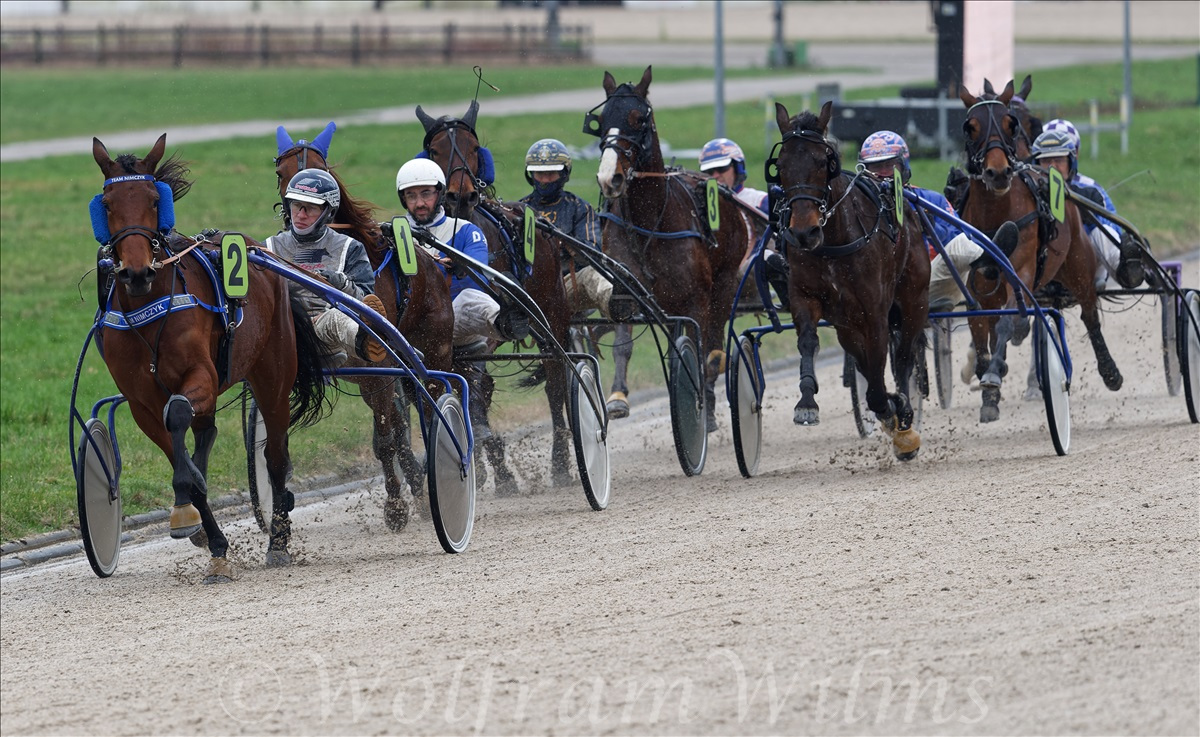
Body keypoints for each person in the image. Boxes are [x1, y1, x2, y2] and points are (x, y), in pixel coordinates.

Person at [394, 157, 526, 440]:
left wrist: (442, 261)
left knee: (470, 297)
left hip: (456, 321)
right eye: (411, 196)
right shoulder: (395, 236)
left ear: (439, 194)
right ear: (403, 199)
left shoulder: (466, 231)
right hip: (411, 330)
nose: (419, 203)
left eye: (426, 194)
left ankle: (506, 322)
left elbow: (476, 272)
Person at [857, 130, 1016, 312]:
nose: (883, 173)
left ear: (903, 165)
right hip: (876, 293)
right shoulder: (856, 207)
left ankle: (987, 260)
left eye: (888, 165)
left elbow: (958, 237)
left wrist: (931, 228)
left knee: (962, 243)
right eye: (875, 167)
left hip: (929, 287)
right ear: (863, 169)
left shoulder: (931, 200)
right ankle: (988, 258)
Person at [266, 168, 387, 366]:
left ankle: (369, 341)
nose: (301, 215)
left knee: (334, 318)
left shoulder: (350, 248)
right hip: (280, 332)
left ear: (328, 212)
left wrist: (341, 283)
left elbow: (364, 301)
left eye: (310, 208)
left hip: (322, 334)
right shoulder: (270, 247)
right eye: (297, 206)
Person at [1034, 120, 1144, 289]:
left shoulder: (1090, 190)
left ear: (1072, 160)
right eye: (1046, 161)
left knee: (1103, 232)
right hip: (1044, 265)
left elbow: (1113, 230)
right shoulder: (1029, 193)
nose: (1052, 167)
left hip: (1085, 264)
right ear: (1036, 164)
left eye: (1059, 160)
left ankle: (1126, 272)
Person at [518, 138, 614, 318]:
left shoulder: (580, 208)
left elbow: (593, 253)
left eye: (551, 173)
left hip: (569, 287)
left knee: (593, 274)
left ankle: (615, 304)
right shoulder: (518, 210)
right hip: (528, 291)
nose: (545, 180)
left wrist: (561, 243)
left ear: (564, 173)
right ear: (530, 175)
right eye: (539, 174)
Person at [698, 137, 790, 309]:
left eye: (721, 168)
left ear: (737, 167)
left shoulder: (758, 200)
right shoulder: (701, 206)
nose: (716, 176)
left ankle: (793, 303)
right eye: (709, 172)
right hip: (710, 278)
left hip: (745, 274)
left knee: (768, 258)